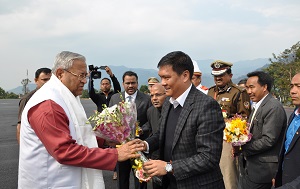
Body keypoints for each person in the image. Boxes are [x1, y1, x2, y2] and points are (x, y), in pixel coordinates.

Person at [18, 51, 144, 189]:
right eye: (81, 75)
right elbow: (64, 151)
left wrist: (105, 140)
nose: (85, 80)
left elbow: (76, 134)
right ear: (60, 73)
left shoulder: (65, 96)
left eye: (86, 76)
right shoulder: (48, 104)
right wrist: (115, 154)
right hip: (51, 182)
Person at [142, 51, 225, 189]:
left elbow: (209, 157)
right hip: (169, 183)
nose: (163, 83)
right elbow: (162, 134)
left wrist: (169, 167)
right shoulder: (168, 102)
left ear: (185, 75)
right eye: (161, 78)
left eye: (167, 77)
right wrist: (145, 144)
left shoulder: (206, 106)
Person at [237, 71, 286, 189]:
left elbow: (269, 139)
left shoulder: (273, 107)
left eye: (252, 87)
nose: (249, 92)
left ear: (264, 87)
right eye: (247, 88)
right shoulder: (258, 104)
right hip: (251, 168)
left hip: (262, 170)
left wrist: (242, 148)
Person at [207, 60, 251, 189]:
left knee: (228, 178)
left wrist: (236, 145)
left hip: (227, 140)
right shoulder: (210, 92)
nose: (218, 78)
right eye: (215, 75)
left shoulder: (238, 92)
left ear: (230, 75)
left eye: (221, 74)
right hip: (209, 139)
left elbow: (244, 119)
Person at [109, 71, 152, 189]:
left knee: (141, 179)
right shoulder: (115, 98)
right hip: (122, 147)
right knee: (122, 179)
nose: (131, 85)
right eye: (128, 83)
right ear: (123, 84)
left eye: (133, 83)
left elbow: (151, 121)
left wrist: (141, 130)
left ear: (137, 83)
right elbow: (110, 120)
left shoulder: (147, 99)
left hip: (140, 146)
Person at [88, 66, 121, 180]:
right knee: (102, 147)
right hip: (102, 127)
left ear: (110, 85)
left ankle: (116, 170)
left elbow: (118, 88)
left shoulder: (114, 95)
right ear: (100, 86)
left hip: (114, 126)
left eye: (107, 83)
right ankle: (100, 170)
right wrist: (90, 78)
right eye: (103, 84)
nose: (105, 85)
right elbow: (90, 92)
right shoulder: (98, 97)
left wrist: (111, 75)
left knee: (115, 148)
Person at [274, 73, 300, 188]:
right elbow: (286, 149)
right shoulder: (294, 114)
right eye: (292, 86)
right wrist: (278, 175)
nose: (293, 91)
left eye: (299, 86)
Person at [140, 83, 167, 189]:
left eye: (158, 95)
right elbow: (153, 132)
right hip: (155, 159)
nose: (154, 98)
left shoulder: (174, 111)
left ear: (167, 94)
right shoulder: (150, 111)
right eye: (152, 95)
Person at [16, 67, 51, 144]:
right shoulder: (27, 99)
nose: (48, 82)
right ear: (36, 80)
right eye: (44, 80)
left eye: (50, 80)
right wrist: (22, 149)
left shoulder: (56, 96)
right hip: (35, 144)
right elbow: (20, 126)